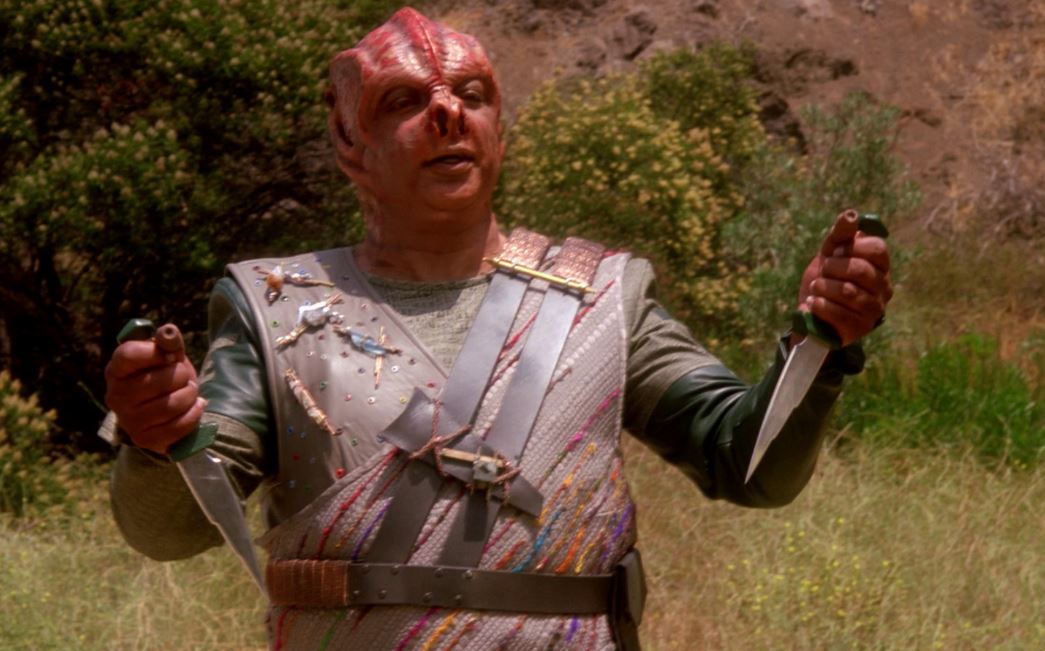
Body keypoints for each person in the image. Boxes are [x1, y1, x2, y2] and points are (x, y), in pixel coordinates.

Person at [102, 7, 892, 650]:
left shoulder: (601, 297)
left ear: (500, 129)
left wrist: (818, 344)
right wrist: (156, 438)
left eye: (472, 94)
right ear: (349, 145)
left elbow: (747, 464)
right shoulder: (276, 307)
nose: (448, 112)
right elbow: (171, 529)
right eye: (403, 101)